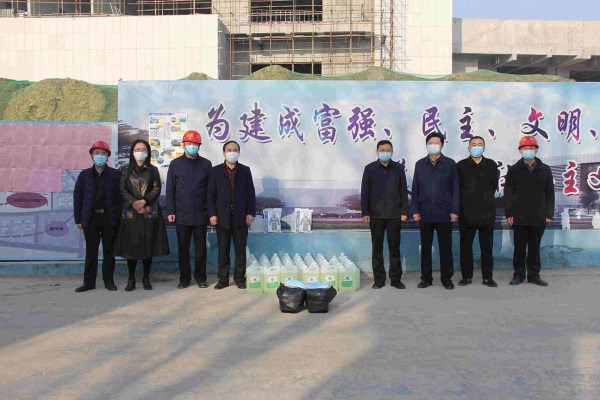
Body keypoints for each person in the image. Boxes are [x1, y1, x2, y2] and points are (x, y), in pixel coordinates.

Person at [115, 139, 169, 291]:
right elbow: (122, 189)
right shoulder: (125, 170)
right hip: (131, 213)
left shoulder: (153, 170)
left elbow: (156, 189)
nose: (140, 152)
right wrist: (135, 203)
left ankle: (146, 277)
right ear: (132, 152)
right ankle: (131, 279)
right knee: (131, 246)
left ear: (148, 152)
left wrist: (144, 201)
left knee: (148, 246)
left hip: (148, 211)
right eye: (137, 149)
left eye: (143, 149)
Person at [410, 132, 459, 290]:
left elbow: (455, 189)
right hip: (424, 212)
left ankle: (447, 279)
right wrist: (415, 209)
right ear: (426, 145)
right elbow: (415, 188)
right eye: (430, 143)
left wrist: (454, 210)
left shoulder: (450, 164)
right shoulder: (420, 164)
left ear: (442, 145)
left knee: (445, 249)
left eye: (436, 143)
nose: (433, 145)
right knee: (425, 249)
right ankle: (426, 278)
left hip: (445, 213)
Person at [504, 136, 555, 287]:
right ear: (520, 151)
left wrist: (549, 213)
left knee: (535, 248)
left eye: (531, 148)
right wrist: (509, 213)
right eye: (525, 148)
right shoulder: (514, 170)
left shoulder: (545, 169)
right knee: (519, 248)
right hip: (519, 216)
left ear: (536, 149)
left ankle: (534, 275)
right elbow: (508, 193)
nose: (528, 150)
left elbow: (549, 193)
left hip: (539, 215)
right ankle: (518, 275)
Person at [166, 130, 212, 289]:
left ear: (199, 146)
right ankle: (184, 278)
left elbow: (210, 191)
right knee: (183, 249)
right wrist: (171, 211)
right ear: (184, 145)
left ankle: (201, 277)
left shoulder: (206, 164)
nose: (192, 146)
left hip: (201, 214)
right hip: (182, 214)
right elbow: (170, 190)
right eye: (189, 143)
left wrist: (211, 213)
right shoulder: (175, 164)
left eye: (195, 144)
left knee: (201, 250)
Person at [73, 141, 121, 292]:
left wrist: (118, 218)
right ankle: (88, 283)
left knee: (109, 252)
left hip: (109, 218)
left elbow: (120, 198)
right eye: (97, 153)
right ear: (92, 156)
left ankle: (109, 281)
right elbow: (77, 198)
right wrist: (78, 219)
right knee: (91, 252)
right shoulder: (84, 175)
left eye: (103, 153)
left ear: (108, 156)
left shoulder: (115, 175)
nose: (100, 156)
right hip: (90, 218)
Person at [361, 140, 409, 289]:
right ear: (377, 152)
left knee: (395, 248)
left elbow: (403, 190)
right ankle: (379, 280)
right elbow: (365, 192)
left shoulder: (398, 168)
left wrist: (404, 211)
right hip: (376, 215)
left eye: (388, 150)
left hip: (395, 215)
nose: (385, 152)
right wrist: (365, 212)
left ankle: (395, 279)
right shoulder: (370, 169)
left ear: (392, 152)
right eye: (382, 150)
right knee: (377, 249)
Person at [208, 141, 256, 289]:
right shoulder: (215, 171)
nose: (232, 153)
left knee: (240, 250)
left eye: (235, 150)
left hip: (240, 216)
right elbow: (210, 195)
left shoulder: (245, 170)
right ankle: (223, 279)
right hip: (222, 216)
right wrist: (212, 214)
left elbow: (250, 194)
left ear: (239, 153)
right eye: (229, 150)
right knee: (223, 250)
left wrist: (250, 212)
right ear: (224, 153)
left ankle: (239, 278)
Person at [457, 136, 499, 287]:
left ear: (484, 148)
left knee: (487, 248)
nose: (476, 147)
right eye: (473, 145)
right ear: (468, 148)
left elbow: (493, 186)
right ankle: (466, 277)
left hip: (486, 213)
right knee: (465, 248)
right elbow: (457, 189)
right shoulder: (460, 166)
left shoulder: (491, 165)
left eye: (480, 144)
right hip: (466, 214)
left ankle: (488, 277)